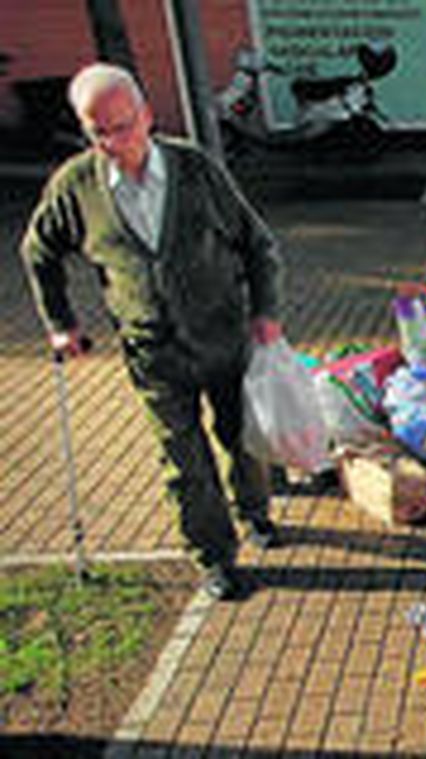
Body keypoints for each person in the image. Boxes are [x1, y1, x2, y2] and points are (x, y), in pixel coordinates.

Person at [20, 64, 284, 601]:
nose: (115, 143)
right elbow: (38, 250)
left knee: (242, 438)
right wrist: (60, 324)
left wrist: (267, 312)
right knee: (182, 461)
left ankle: (255, 511)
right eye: (99, 132)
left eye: (123, 126)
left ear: (146, 114)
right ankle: (214, 555)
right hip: (152, 350)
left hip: (224, 336)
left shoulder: (195, 169)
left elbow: (258, 243)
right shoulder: (76, 185)